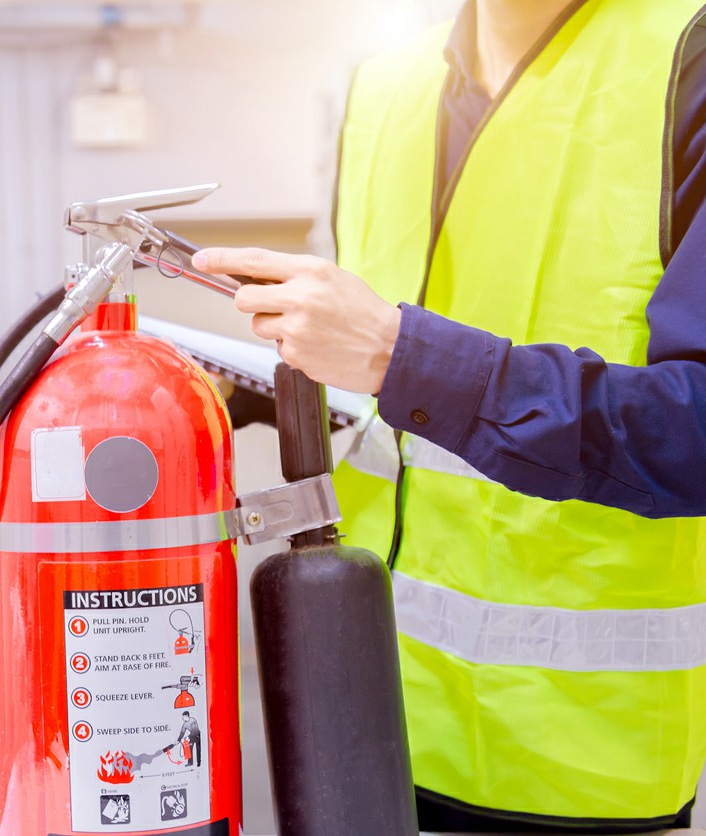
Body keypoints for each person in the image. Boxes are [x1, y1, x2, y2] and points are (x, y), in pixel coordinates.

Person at [195, 0, 706, 831]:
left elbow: (697, 433)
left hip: (575, 765)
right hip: (358, 712)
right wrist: (239, 384)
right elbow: (376, 390)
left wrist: (403, 356)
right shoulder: (378, 86)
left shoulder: (687, 54)